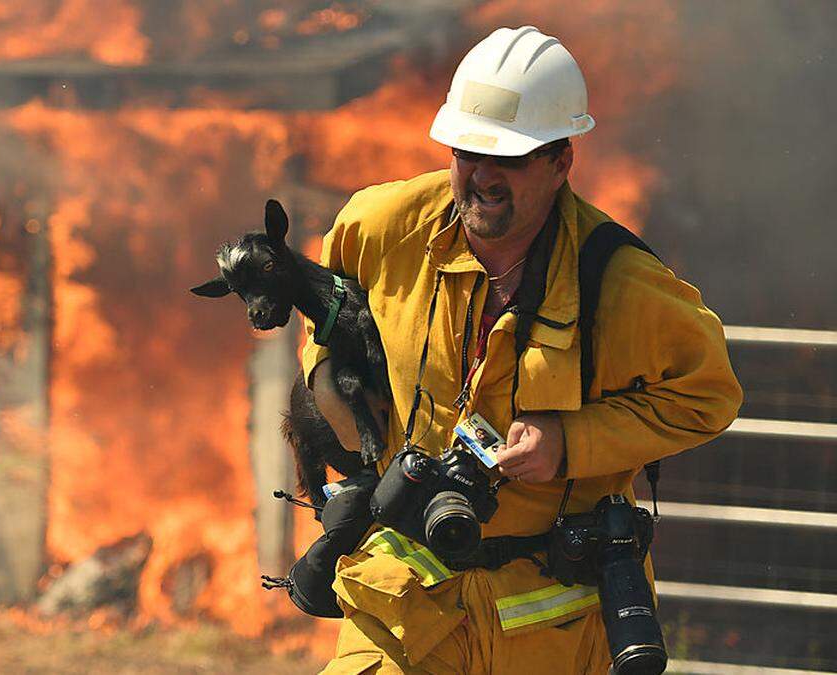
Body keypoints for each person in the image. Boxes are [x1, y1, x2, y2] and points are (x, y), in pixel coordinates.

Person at [302, 26, 742, 674]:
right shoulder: (382, 226)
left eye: (506, 158)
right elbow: (327, 315)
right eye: (466, 151)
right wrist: (331, 390)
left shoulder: (620, 283)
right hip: (403, 606)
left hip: (551, 623)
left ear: (561, 161)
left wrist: (571, 441)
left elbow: (710, 396)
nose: (480, 176)